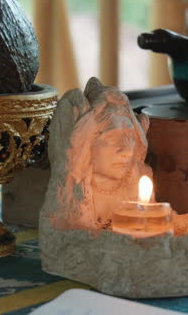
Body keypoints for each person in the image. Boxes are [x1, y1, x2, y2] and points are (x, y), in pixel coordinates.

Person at [41, 78, 153, 231]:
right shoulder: (72, 197)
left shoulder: (136, 185)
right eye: (113, 138)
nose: (127, 150)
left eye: (130, 138)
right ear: (87, 145)